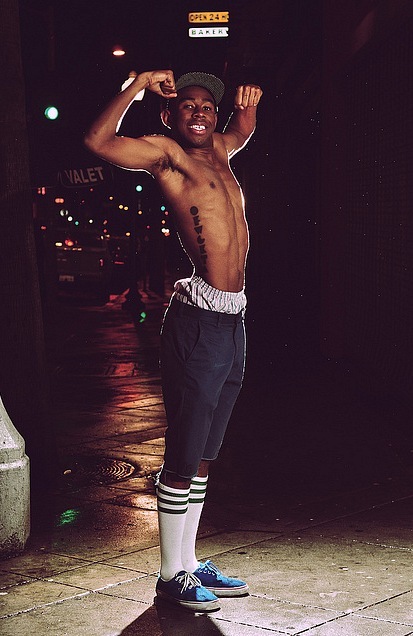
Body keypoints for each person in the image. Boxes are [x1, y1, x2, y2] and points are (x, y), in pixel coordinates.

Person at [85, 69, 263, 612]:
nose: (200, 112)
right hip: (198, 323)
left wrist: (247, 105)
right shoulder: (167, 156)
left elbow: (242, 129)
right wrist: (138, 83)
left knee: (206, 452)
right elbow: (97, 141)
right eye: (188, 105)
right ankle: (169, 576)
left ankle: (188, 561)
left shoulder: (222, 153)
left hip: (232, 321)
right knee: (185, 451)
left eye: (208, 105)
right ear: (169, 115)